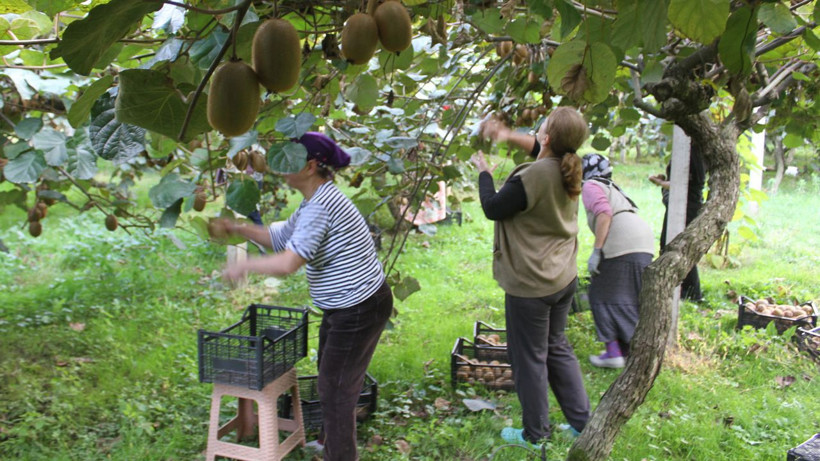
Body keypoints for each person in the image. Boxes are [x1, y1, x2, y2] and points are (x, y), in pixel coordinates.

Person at [221, 132, 393, 461]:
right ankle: (330, 443)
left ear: (311, 165)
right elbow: (280, 236)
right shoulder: (315, 200)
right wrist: (240, 229)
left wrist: (244, 266)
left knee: (335, 389)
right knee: (333, 377)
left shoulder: (320, 207)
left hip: (358, 307)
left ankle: (340, 455)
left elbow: (288, 262)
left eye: (291, 158)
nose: (281, 164)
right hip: (349, 304)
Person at [472, 107, 591, 446]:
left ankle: (535, 435)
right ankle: (582, 423)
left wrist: (484, 174)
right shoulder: (568, 167)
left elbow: (493, 207)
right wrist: (508, 135)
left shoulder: (533, 175)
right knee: (556, 347)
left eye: (542, 127)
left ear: (547, 137)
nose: (537, 131)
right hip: (562, 277)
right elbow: (541, 151)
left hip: (532, 285)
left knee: (529, 359)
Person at [580, 154, 654, 368]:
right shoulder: (610, 186)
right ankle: (630, 352)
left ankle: (613, 353)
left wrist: (597, 251)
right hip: (643, 242)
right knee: (628, 297)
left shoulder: (591, 186)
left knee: (601, 294)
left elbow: (604, 213)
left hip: (622, 244)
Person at [648, 142, 705, 301]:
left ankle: (691, 293)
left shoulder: (692, 152)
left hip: (687, 205)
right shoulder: (685, 148)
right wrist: (663, 182)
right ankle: (686, 291)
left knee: (679, 247)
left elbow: (683, 185)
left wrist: (660, 183)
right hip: (681, 204)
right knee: (673, 246)